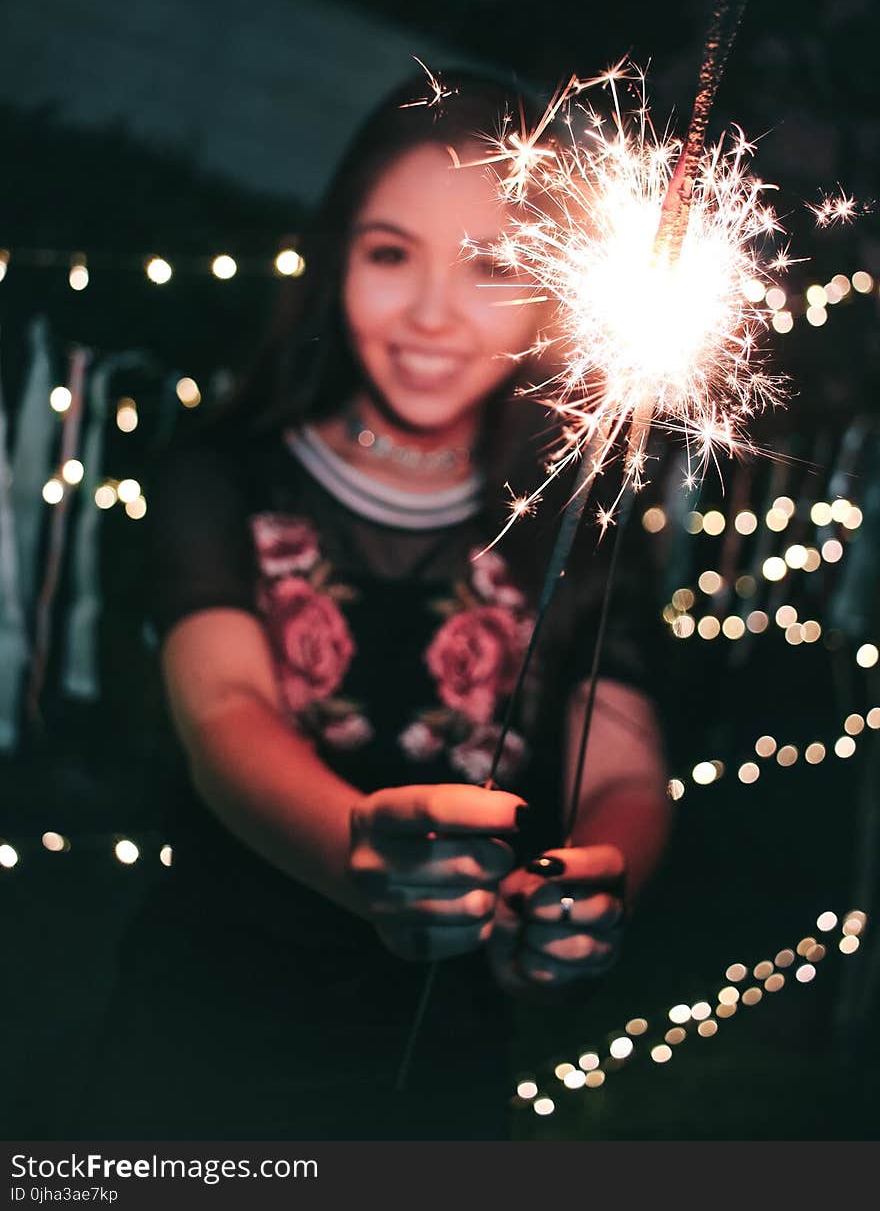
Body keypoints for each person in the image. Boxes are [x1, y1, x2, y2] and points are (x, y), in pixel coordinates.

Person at [80, 70, 671, 1140]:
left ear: (553, 292)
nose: (434, 312)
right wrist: (358, 847)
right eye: (391, 252)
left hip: (438, 1078)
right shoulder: (220, 478)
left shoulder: (572, 528)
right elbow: (224, 716)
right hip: (200, 1053)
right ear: (338, 254)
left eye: (491, 263)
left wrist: (597, 879)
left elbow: (624, 766)